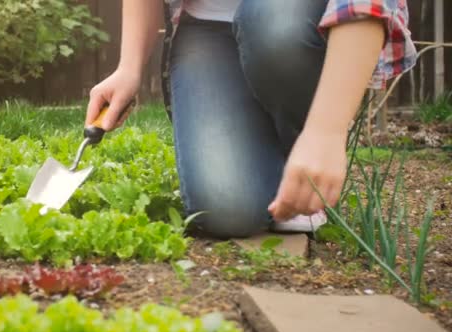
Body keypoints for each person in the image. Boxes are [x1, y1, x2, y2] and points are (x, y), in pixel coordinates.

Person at [84, 0, 417, 238]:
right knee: (228, 210)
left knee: (274, 25)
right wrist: (129, 67)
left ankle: (303, 152)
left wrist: (325, 131)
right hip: (208, 28)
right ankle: (279, 167)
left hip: (294, 21)